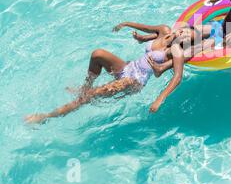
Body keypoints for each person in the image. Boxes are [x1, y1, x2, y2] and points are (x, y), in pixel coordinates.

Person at [25, 23, 190, 124]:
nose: (182, 34)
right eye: (183, 31)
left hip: (133, 81)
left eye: (186, 36)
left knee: (89, 96)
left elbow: (177, 77)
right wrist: (126, 24)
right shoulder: (164, 30)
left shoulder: (175, 51)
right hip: (127, 67)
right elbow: (145, 27)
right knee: (97, 54)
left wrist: (160, 99)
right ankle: (84, 87)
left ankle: (46, 116)